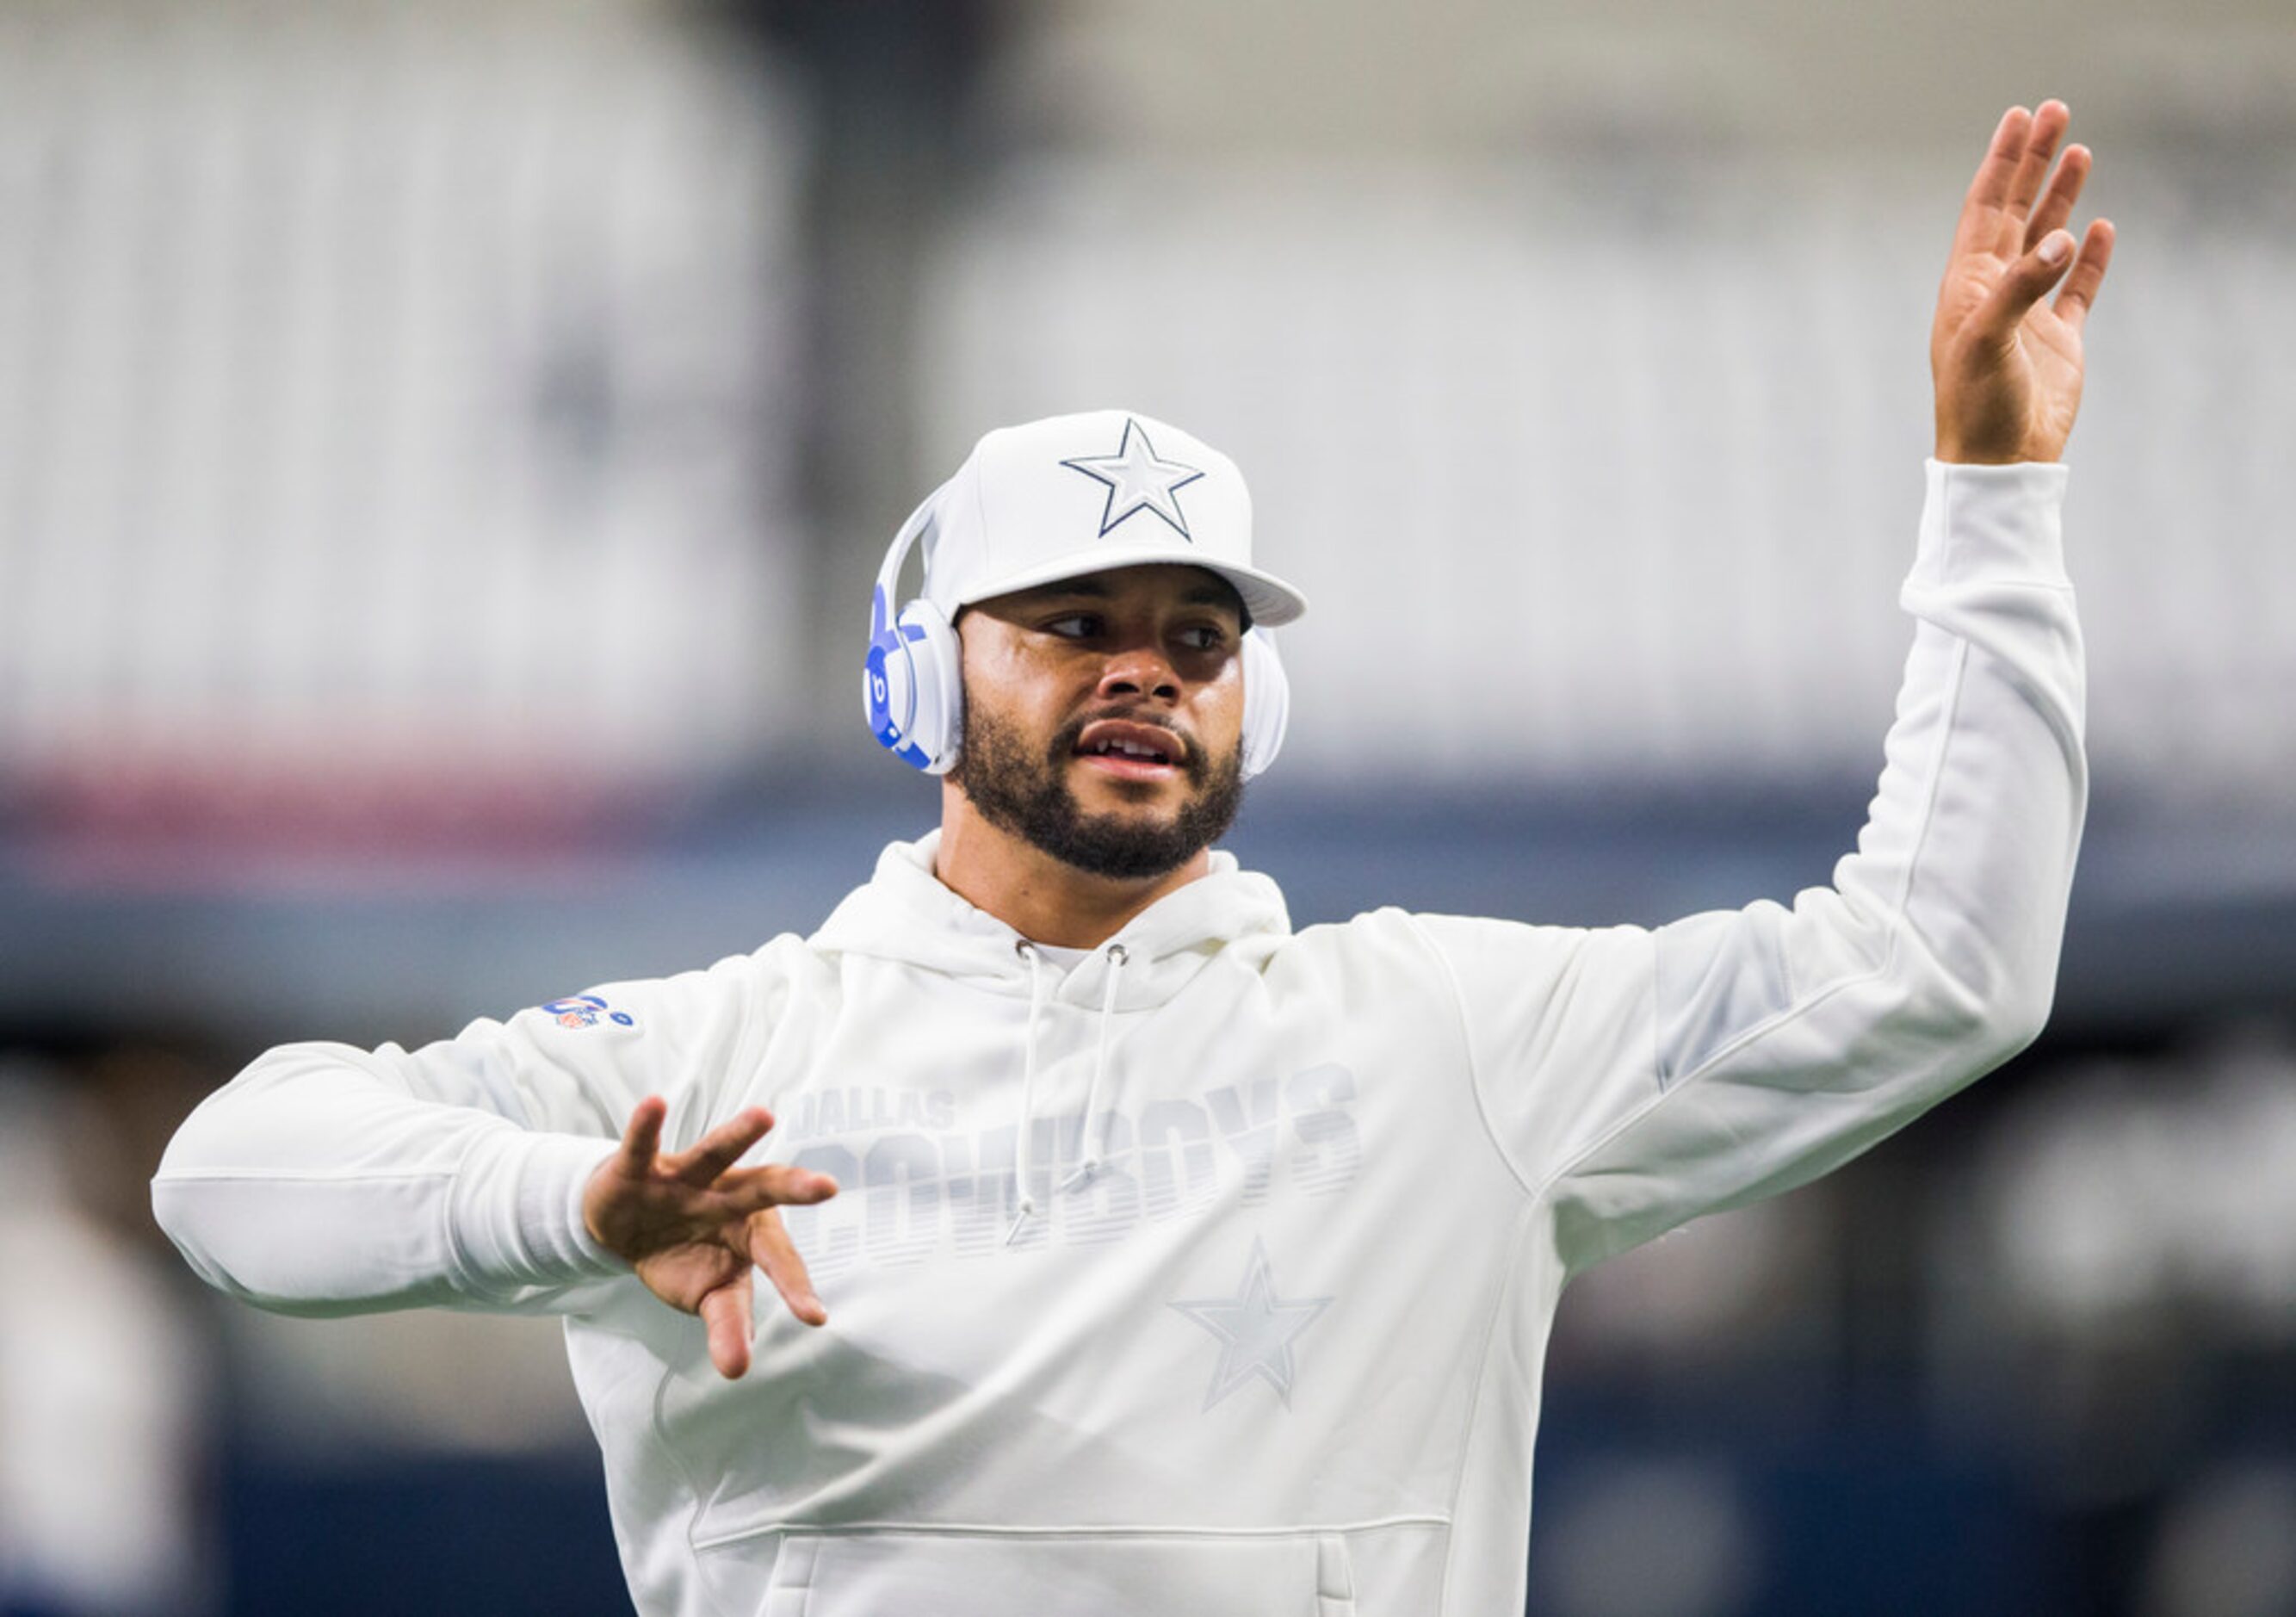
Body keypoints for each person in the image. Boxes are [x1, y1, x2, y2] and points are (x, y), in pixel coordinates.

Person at [154, 102, 2114, 1616]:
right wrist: (567, 1210)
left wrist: (1993, 494)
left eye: (1193, 638)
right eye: (1070, 621)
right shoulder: (711, 1059)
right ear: (919, 673)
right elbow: (231, 1170)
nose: (1141, 675)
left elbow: (1939, 961)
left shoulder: (1452, 1034)